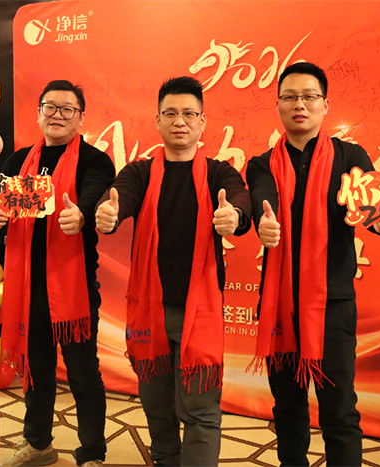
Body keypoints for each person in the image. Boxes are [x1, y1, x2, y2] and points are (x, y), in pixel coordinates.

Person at [246, 62, 380, 466]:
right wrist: (265, 221)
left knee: (339, 410)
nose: (299, 105)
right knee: (287, 408)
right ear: (278, 105)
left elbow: (370, 205)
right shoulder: (261, 164)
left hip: (332, 304)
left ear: (325, 104)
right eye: (290, 97)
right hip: (280, 305)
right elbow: (264, 198)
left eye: (309, 96)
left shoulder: (351, 157)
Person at [95, 76, 251, 467]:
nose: (179, 121)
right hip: (150, 312)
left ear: (202, 122)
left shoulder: (218, 174)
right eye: (170, 113)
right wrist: (109, 212)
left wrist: (235, 215)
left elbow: (239, 198)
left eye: (188, 114)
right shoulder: (140, 173)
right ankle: (165, 459)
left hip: (200, 313)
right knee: (156, 405)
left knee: (200, 408)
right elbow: (119, 196)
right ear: (158, 121)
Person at [0, 80, 114, 467]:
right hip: (26, 287)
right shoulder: (18, 161)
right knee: (36, 371)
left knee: (83, 373)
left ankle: (92, 453)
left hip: (74, 287)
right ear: (39, 113)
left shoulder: (94, 160)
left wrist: (81, 213)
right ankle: (38, 444)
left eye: (67, 109)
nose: (58, 115)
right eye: (50, 107)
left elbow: (93, 193)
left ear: (80, 117)